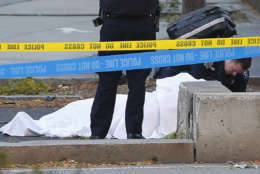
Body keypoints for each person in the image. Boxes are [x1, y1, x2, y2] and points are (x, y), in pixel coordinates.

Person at [90, 0, 160, 139]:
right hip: (142, 25)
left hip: (115, 24)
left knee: (108, 82)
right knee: (137, 83)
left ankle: (98, 132)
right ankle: (134, 132)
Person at [154, 58, 252, 92]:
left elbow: (239, 96)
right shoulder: (207, 58)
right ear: (229, 58)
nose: (234, 74)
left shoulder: (242, 73)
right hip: (174, 76)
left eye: (237, 72)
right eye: (233, 69)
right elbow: (196, 85)